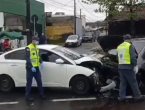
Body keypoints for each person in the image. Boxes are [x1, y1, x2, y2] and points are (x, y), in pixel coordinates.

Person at [117, 34, 143, 102]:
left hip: (120, 67)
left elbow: (117, 57)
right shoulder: (129, 45)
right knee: (133, 82)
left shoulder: (119, 46)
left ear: (124, 39)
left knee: (123, 83)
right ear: (130, 39)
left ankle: (122, 97)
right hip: (128, 67)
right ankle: (138, 97)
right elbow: (133, 57)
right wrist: (135, 65)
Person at [25, 36, 46, 101]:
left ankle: (41, 94)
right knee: (29, 83)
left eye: (37, 40)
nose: (37, 42)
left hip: (36, 68)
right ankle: (27, 96)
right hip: (30, 68)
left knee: (39, 81)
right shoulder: (28, 47)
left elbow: (38, 56)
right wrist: (31, 66)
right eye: (36, 40)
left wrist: (41, 62)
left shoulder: (37, 47)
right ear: (33, 40)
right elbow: (27, 58)